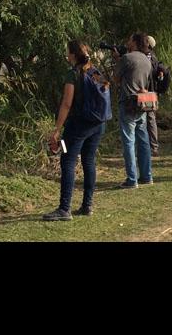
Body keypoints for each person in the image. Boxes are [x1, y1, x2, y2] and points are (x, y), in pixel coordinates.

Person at [43, 41, 107, 221]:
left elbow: (66, 103)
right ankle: (87, 205)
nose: (66, 53)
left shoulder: (72, 74)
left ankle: (64, 209)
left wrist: (57, 130)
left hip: (76, 126)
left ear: (72, 55)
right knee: (89, 161)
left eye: (67, 51)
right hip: (98, 124)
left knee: (67, 161)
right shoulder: (95, 71)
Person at [116, 32, 154, 188]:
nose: (128, 42)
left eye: (130, 40)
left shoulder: (127, 58)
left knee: (129, 141)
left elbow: (116, 78)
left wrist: (117, 60)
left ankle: (132, 179)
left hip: (128, 102)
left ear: (135, 42)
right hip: (142, 103)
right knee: (143, 140)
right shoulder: (147, 60)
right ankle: (147, 176)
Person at [145, 35, 160, 157]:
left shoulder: (150, 58)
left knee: (150, 118)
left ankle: (153, 147)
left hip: (148, 92)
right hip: (148, 92)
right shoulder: (151, 57)